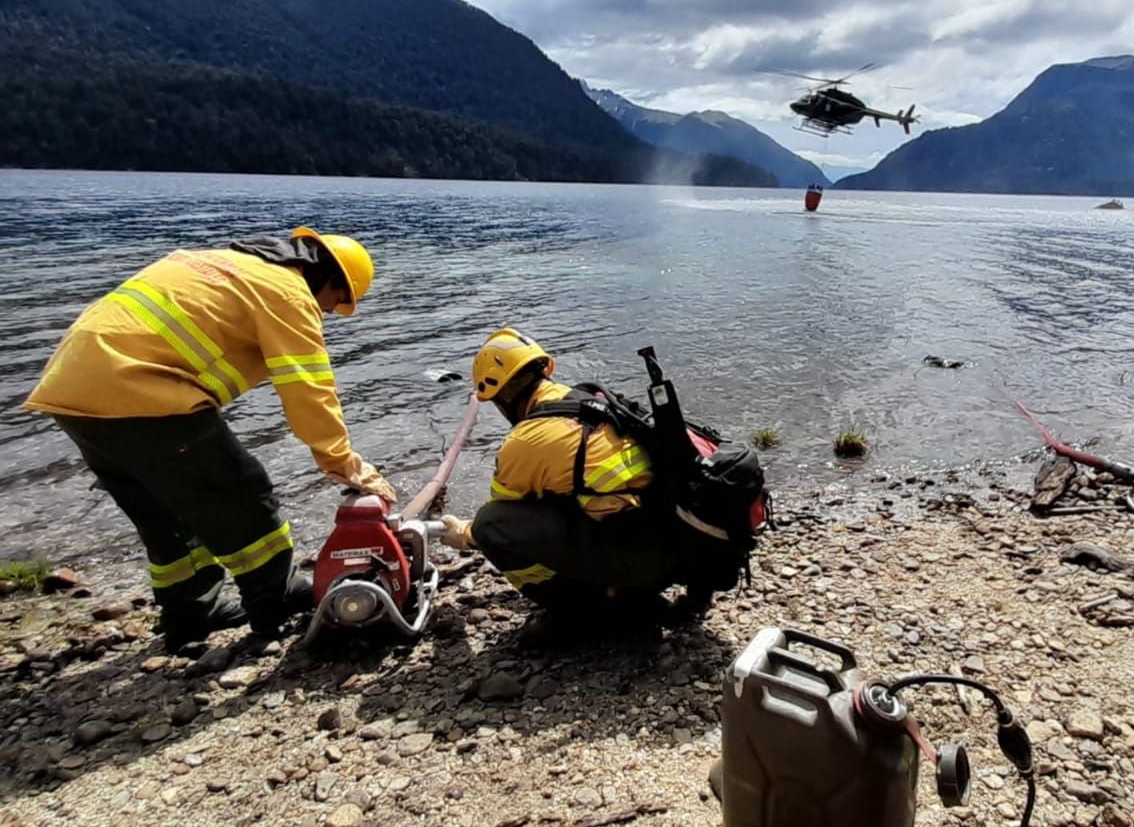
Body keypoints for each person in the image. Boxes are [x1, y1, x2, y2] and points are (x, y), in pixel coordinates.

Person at [24, 227, 396, 651]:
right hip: (142, 392)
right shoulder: (287, 292)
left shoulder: (213, 262)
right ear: (329, 280)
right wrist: (344, 462)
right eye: (336, 304)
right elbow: (308, 388)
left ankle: (190, 613)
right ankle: (274, 602)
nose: (329, 313)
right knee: (242, 493)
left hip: (69, 391)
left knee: (164, 513)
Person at [439, 327, 734, 641]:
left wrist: (461, 533)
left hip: (643, 560)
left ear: (502, 398)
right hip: (686, 547)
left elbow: (504, 514)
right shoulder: (592, 399)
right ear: (544, 369)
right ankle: (670, 594)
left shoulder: (524, 441)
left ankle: (585, 614)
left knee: (490, 525)